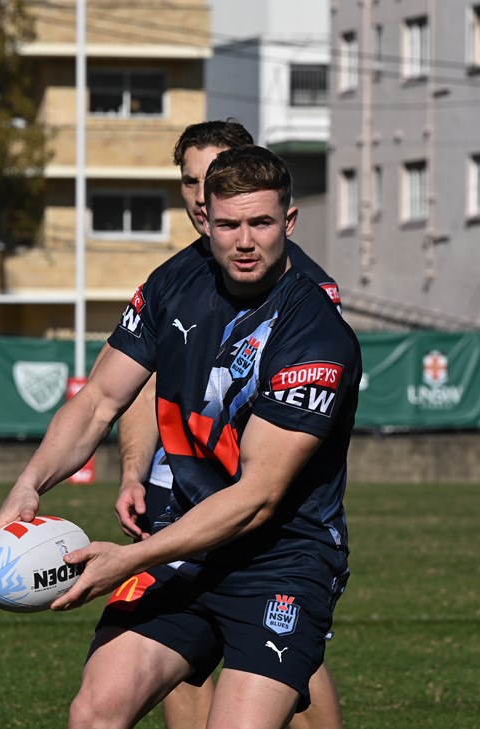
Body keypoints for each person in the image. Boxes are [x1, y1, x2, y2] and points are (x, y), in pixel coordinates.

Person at [0, 145, 361, 729]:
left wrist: (129, 558)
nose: (244, 241)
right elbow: (98, 402)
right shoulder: (172, 283)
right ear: (204, 219)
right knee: (94, 713)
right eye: (229, 224)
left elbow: (257, 496)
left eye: (261, 223)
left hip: (281, 561)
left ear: (288, 222)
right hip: (183, 542)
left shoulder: (315, 335)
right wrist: (28, 487)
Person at [114, 120, 344, 729]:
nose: (198, 193)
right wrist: (134, 469)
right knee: (174, 661)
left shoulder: (300, 291)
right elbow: (142, 380)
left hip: (260, 522)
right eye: (190, 180)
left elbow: (273, 457)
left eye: (211, 177)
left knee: (282, 667)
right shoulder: (175, 277)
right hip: (177, 495)